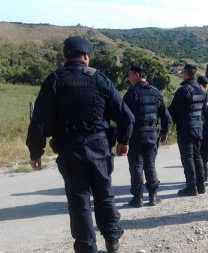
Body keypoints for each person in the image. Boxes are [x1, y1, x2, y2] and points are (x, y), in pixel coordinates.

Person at [26, 36, 135, 253]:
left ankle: (86, 248)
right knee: (104, 195)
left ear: (66, 56)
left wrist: (35, 151)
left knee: (79, 202)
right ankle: (112, 239)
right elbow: (127, 117)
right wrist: (123, 142)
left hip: (70, 150)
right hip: (99, 148)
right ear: (86, 56)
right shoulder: (100, 79)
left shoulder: (54, 80)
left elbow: (38, 120)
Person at [124, 64, 172, 207]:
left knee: (136, 167)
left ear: (137, 75)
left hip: (135, 136)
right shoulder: (156, 92)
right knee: (150, 165)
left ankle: (137, 198)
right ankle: (153, 196)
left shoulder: (131, 93)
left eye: (130, 75)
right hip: (151, 135)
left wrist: (122, 137)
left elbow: (125, 117)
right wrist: (164, 132)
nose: (129, 78)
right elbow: (165, 115)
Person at [169, 64, 207, 196]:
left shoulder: (184, 90)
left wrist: (166, 127)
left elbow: (172, 111)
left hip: (186, 128)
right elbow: (204, 111)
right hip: (198, 127)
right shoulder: (202, 90)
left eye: (183, 72)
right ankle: (201, 185)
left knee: (188, 157)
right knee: (197, 156)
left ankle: (191, 186)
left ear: (186, 73)